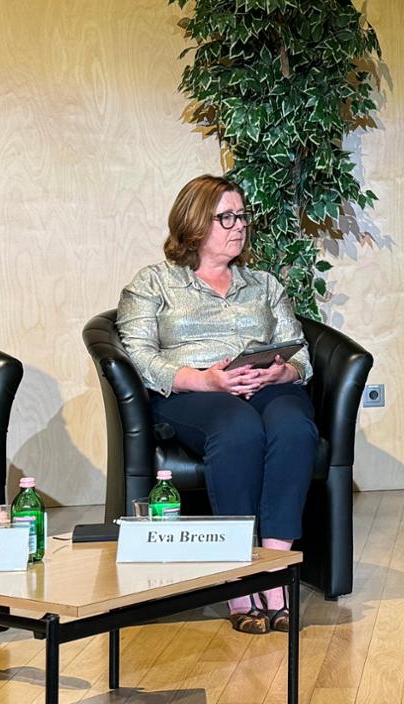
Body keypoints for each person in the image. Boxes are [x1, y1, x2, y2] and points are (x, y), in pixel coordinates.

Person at [116, 174, 318, 635]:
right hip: (192, 393)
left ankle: (274, 569)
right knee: (238, 428)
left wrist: (282, 371)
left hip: (264, 383)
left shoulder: (263, 283)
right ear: (193, 223)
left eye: (242, 216)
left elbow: (299, 349)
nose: (239, 225)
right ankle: (236, 572)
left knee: (294, 427)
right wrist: (206, 380)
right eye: (225, 217)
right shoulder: (154, 283)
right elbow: (141, 357)